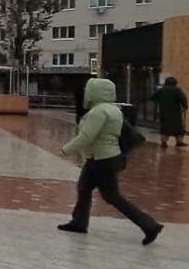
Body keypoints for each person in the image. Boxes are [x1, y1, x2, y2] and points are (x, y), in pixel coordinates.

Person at [58, 77, 163, 245]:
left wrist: (66, 150)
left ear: (93, 92)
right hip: (103, 157)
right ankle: (79, 222)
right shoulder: (114, 110)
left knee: (112, 196)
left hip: (102, 158)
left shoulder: (98, 112)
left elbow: (86, 136)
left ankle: (149, 225)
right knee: (84, 188)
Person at [150, 76, 189, 147]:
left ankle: (164, 142)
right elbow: (183, 98)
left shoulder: (161, 90)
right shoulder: (177, 90)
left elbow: (152, 97)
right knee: (179, 128)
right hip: (175, 112)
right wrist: (185, 107)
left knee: (165, 128)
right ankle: (179, 142)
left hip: (164, 111)